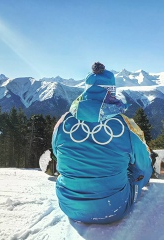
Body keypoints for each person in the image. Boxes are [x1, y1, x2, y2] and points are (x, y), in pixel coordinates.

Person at [51, 62, 153, 224]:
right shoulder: (125, 125)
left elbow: (57, 153)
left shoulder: (64, 121)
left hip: (69, 206)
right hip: (114, 209)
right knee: (141, 170)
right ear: (111, 90)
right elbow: (143, 163)